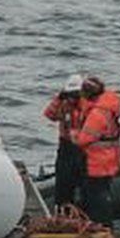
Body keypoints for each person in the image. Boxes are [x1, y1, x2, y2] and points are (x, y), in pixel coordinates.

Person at [73, 76, 120, 227]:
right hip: (108, 158)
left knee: (96, 196)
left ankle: (101, 226)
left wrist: (74, 135)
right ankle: (102, 225)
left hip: (96, 161)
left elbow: (84, 139)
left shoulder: (98, 114)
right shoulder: (109, 106)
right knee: (101, 193)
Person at [42, 74, 88, 207]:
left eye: (76, 94)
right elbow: (50, 114)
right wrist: (59, 98)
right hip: (66, 148)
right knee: (63, 186)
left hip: (85, 149)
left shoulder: (88, 105)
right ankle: (63, 215)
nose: (73, 97)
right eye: (70, 94)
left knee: (86, 187)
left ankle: (84, 214)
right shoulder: (63, 104)